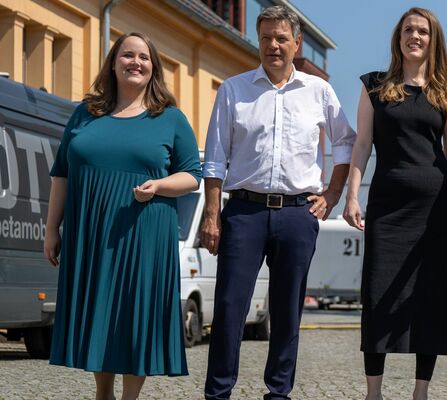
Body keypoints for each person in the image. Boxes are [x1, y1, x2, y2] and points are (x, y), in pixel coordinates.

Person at [200, 6, 356, 400]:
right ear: (258, 40)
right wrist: (212, 215)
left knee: (287, 313)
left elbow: (346, 141)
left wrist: (333, 194)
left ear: (296, 43)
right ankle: (218, 393)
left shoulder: (318, 91)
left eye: (281, 38)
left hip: (298, 214)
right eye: (266, 37)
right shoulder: (233, 89)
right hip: (244, 212)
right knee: (230, 308)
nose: (273, 45)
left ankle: (278, 393)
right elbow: (215, 157)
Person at [43, 32, 202, 400]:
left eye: (144, 57)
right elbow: (61, 174)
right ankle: (103, 393)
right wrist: (52, 229)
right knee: (98, 311)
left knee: (135, 313)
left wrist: (159, 186)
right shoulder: (85, 114)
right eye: (128, 55)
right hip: (91, 232)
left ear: (153, 68)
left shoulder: (170, 118)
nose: (136, 62)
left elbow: (192, 175)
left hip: (144, 232)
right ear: (113, 63)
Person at [342, 7, 447, 400]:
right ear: (398, 37)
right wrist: (352, 195)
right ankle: (373, 392)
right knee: (377, 294)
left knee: (431, 295)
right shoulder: (374, 86)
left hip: (437, 210)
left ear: (433, 40)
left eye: (422, 31)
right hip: (388, 208)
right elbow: (362, 144)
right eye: (408, 29)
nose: (415, 36)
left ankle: (420, 391)